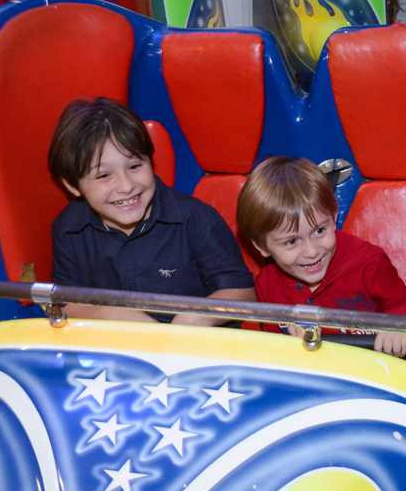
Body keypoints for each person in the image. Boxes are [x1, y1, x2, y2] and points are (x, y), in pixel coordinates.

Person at [48, 96, 255, 324]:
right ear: (73, 185)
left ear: (150, 161)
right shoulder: (68, 228)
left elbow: (243, 293)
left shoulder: (196, 219)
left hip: (193, 347)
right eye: (104, 175)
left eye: (135, 166)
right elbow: (64, 301)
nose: (126, 186)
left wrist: (195, 318)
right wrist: (115, 314)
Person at [236, 156, 406, 358]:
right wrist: (287, 348)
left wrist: (399, 324)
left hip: (378, 377)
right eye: (291, 242)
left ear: (334, 217)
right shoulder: (268, 285)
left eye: (319, 231)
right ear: (262, 246)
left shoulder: (368, 262)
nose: (311, 252)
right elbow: (271, 358)